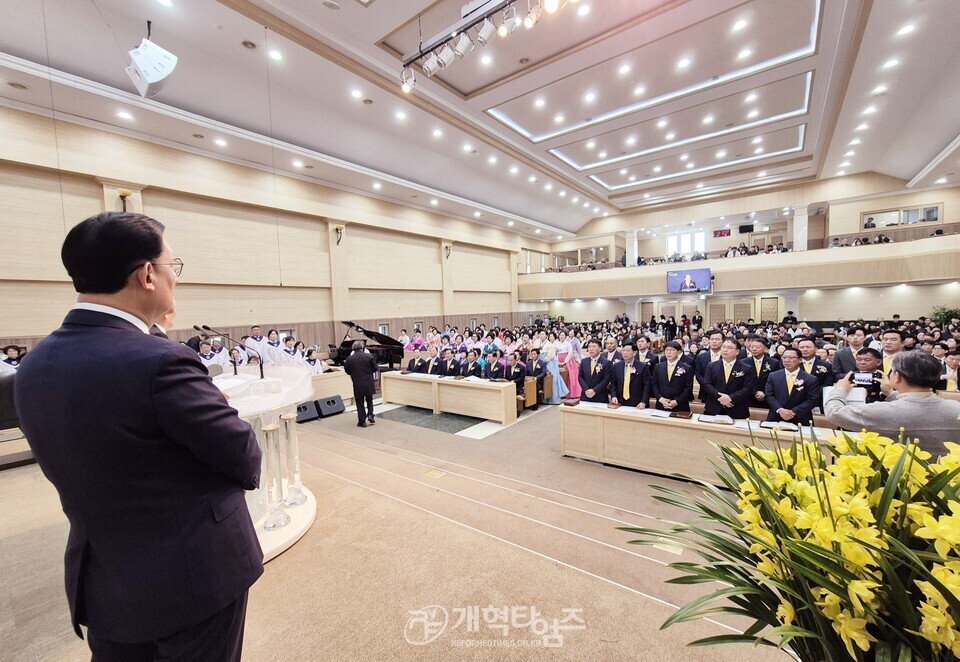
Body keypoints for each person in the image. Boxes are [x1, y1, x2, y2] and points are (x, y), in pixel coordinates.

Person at [14, 212, 262, 660]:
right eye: (173, 267)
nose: (176, 280)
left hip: (107, 581)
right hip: (190, 580)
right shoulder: (160, 361)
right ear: (148, 275)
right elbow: (243, 453)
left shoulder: (34, 365)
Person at [824, 351, 960, 457]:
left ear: (897, 376)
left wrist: (839, 390)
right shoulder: (956, 409)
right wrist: (890, 393)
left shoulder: (880, 411)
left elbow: (834, 413)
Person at [701, 339, 756, 419]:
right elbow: (706, 384)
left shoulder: (746, 368)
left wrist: (730, 398)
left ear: (737, 351)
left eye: (729, 348)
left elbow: (747, 388)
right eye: (723, 347)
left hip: (736, 408)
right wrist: (720, 397)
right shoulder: (712, 366)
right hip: (714, 407)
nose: (725, 350)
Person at [764, 347, 821, 425]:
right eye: (784, 357)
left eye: (791, 357)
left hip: (800, 418)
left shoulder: (810, 379)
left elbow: (813, 400)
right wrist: (780, 410)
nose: (787, 360)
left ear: (800, 360)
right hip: (776, 416)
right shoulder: (773, 376)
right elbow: (769, 395)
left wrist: (793, 412)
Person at [652, 341, 694, 412]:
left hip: (680, 406)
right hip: (662, 404)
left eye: (672, 350)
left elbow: (688, 388)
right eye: (667, 350)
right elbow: (654, 385)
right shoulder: (658, 367)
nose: (669, 352)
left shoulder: (687, 368)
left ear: (678, 352)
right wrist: (661, 399)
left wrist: (676, 401)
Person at [344, 339, 378, 427]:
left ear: (353, 349)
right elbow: (375, 368)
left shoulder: (349, 359)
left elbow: (347, 371)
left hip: (357, 383)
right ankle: (370, 414)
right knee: (369, 399)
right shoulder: (369, 356)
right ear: (362, 347)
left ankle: (362, 421)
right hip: (369, 382)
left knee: (359, 402)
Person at [741, 336, 781, 409]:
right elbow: (742, 381)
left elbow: (776, 381)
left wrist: (765, 393)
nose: (754, 349)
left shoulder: (774, 363)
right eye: (752, 347)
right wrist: (755, 392)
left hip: (767, 398)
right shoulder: (743, 362)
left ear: (765, 349)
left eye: (757, 347)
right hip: (748, 397)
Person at [610, 342, 651, 409]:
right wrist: (613, 396)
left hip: (637, 403)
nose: (625, 353)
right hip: (620, 402)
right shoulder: (616, 366)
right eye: (623, 350)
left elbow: (647, 385)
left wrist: (643, 402)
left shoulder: (642, 366)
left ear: (634, 353)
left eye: (628, 351)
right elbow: (613, 384)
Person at [578, 338, 611, 403]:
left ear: (600, 349)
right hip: (585, 395)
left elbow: (606, 380)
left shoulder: (606, 363)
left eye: (594, 347)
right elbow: (580, 377)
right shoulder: (584, 361)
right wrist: (586, 390)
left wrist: (594, 391)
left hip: (600, 395)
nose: (591, 349)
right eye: (589, 347)